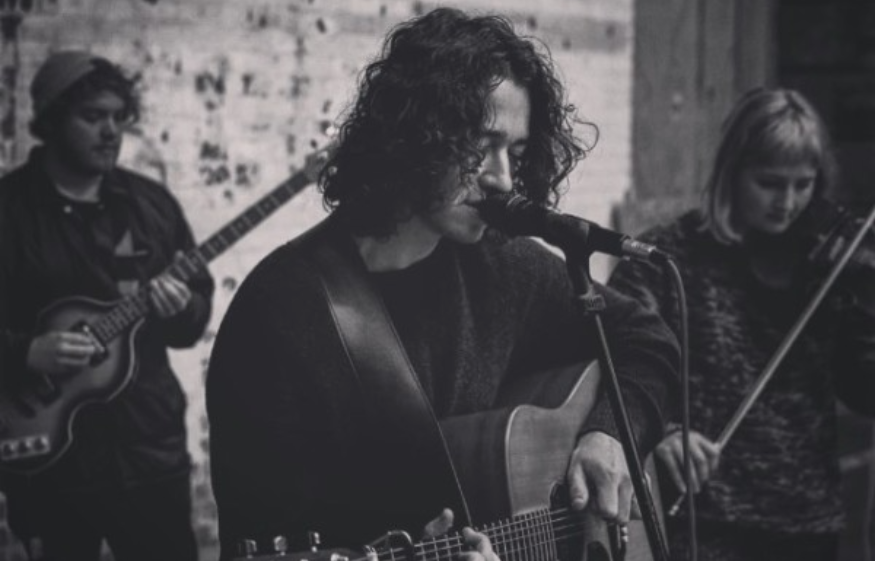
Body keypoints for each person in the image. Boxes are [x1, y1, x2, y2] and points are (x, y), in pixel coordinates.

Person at [206, 8, 679, 561]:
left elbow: (648, 341)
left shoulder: (506, 267)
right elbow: (262, 532)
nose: (503, 178)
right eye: (481, 145)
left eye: (516, 153)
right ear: (413, 136)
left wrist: (611, 435)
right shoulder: (281, 313)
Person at [608, 87, 875, 561]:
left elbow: (864, 389)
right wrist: (663, 431)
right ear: (732, 173)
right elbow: (611, 364)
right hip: (702, 519)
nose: (787, 202)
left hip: (807, 519)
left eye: (803, 184)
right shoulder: (666, 260)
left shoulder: (834, 266)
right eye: (770, 183)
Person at [0, 52, 214, 561]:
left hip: (148, 449)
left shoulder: (152, 205)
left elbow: (192, 323)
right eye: (93, 116)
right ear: (51, 120)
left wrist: (182, 308)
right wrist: (25, 351)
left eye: (119, 117)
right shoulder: (8, 210)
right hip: (50, 457)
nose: (110, 131)